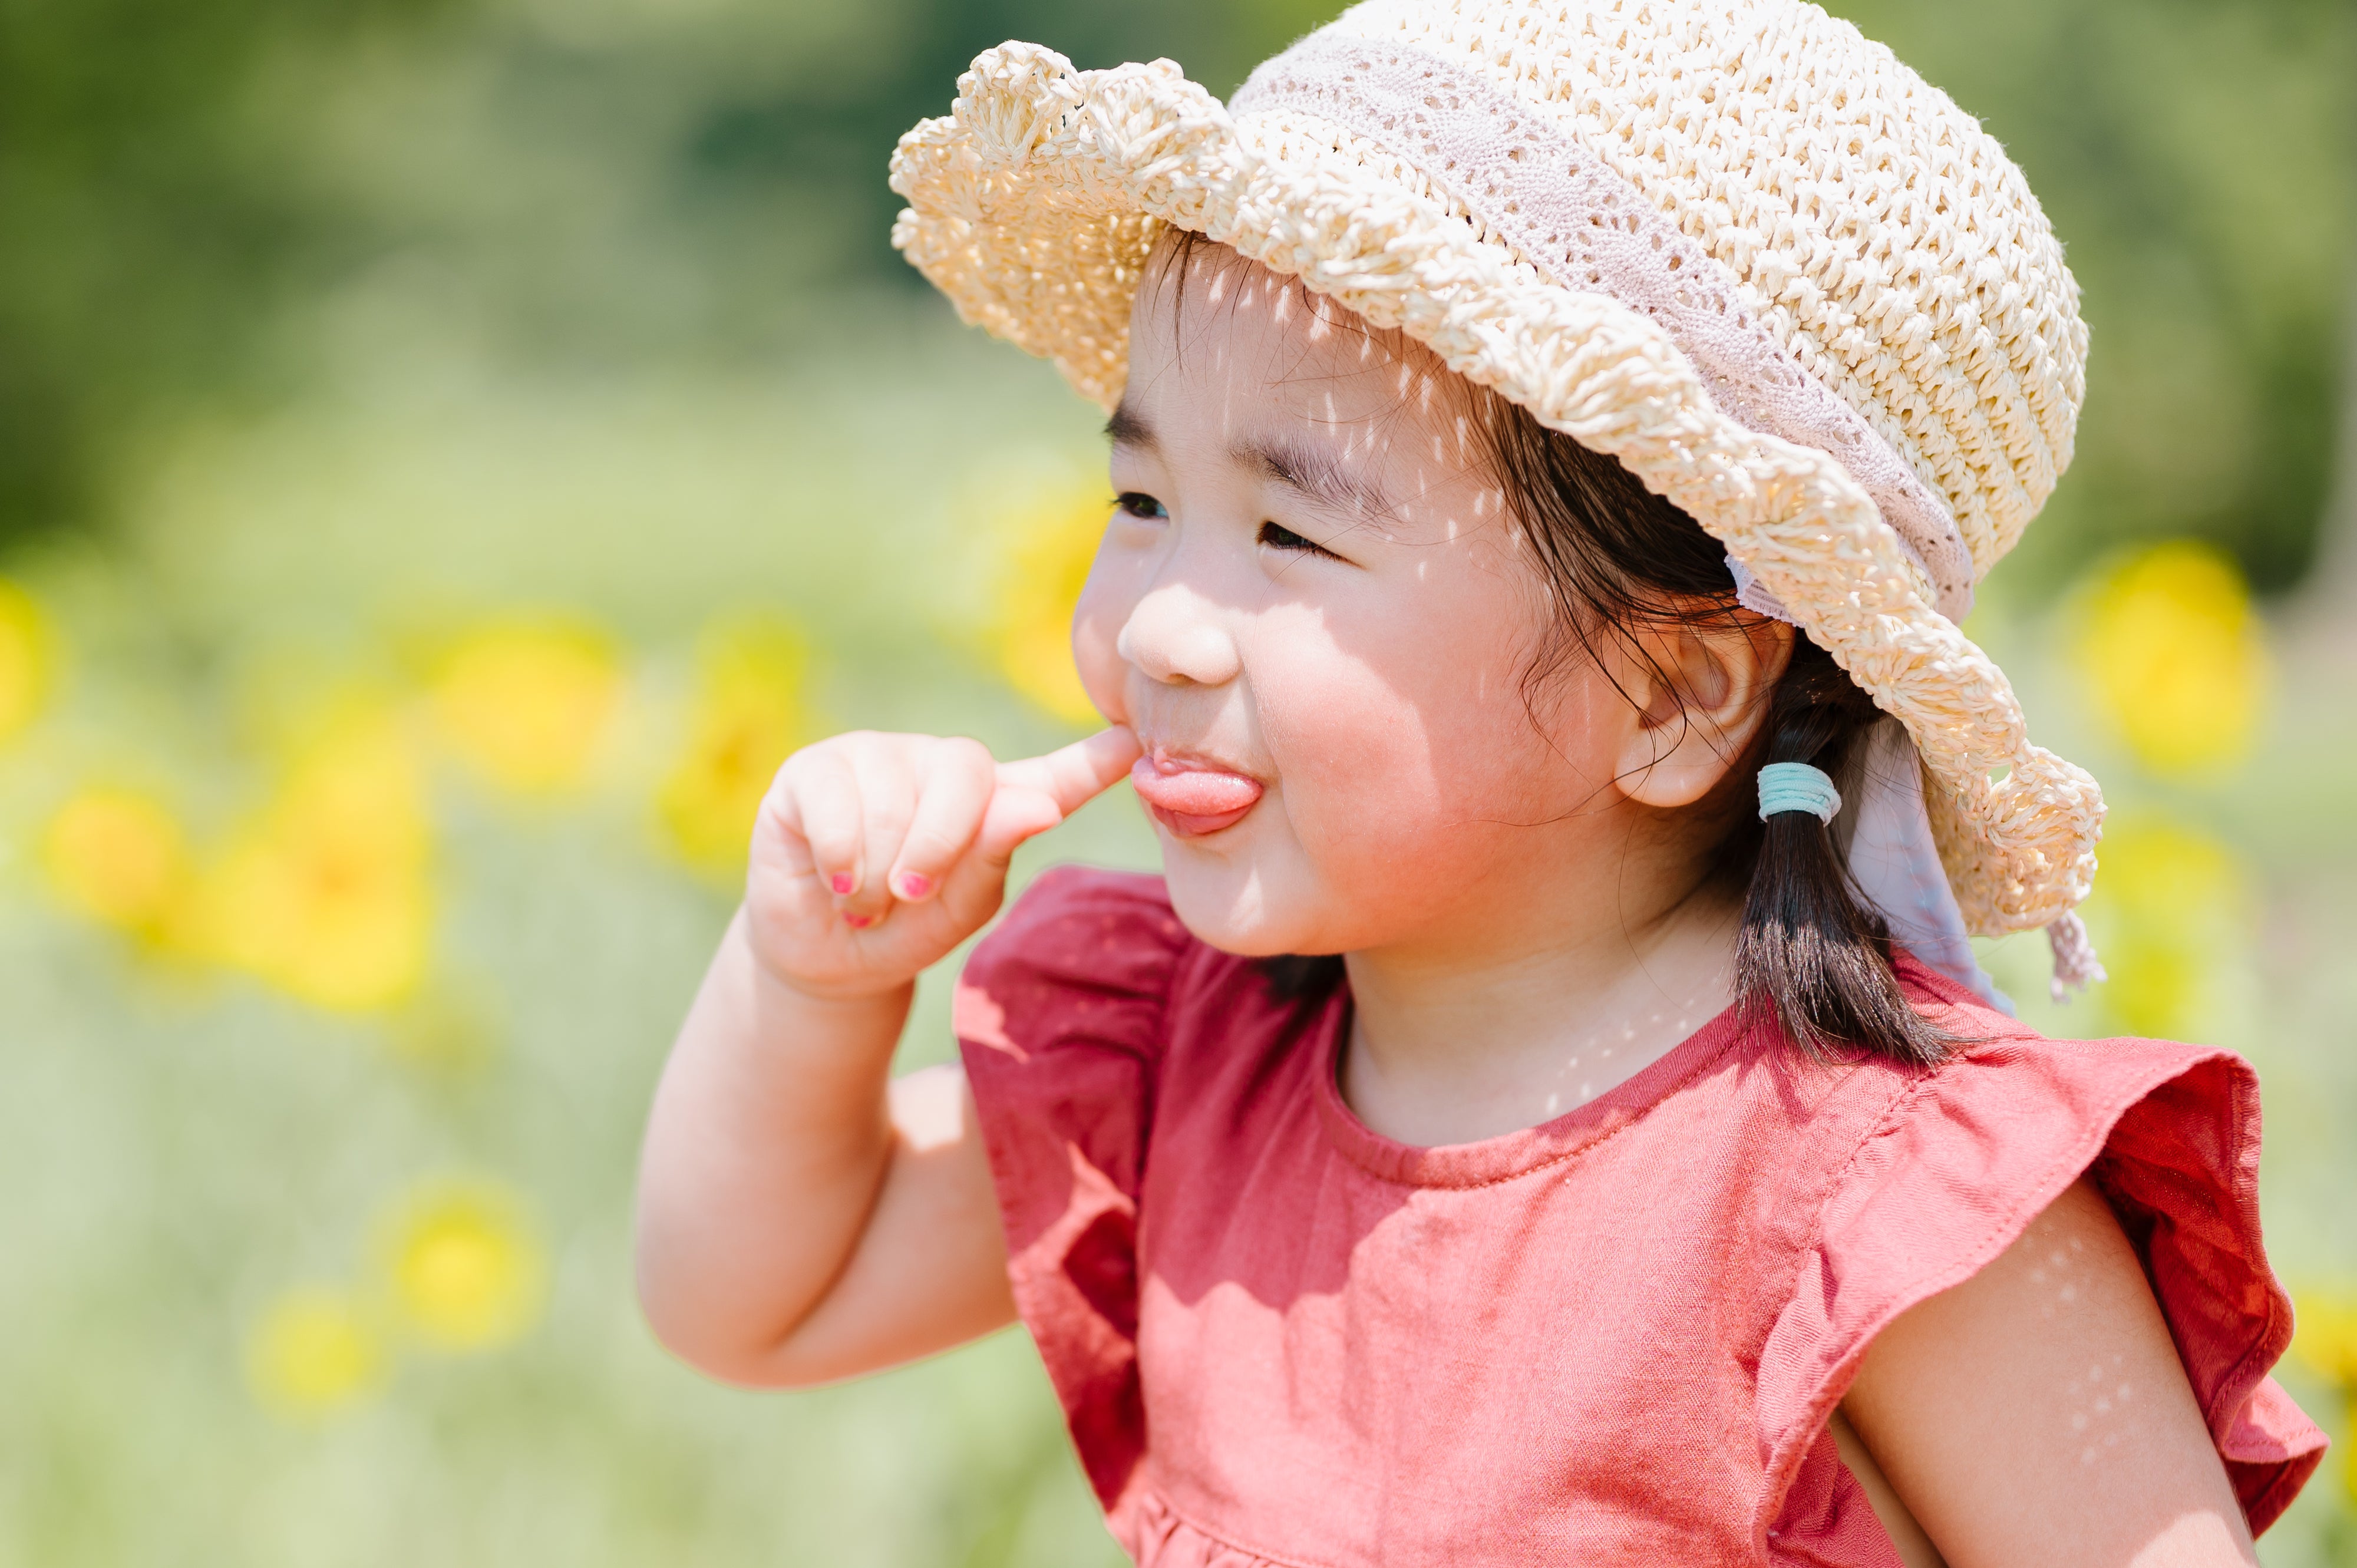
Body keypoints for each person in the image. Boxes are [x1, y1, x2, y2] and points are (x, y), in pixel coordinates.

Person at [633, 4, 2326, 1562]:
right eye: (1142, 503)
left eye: (1290, 531)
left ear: (1668, 691)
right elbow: (762, 1298)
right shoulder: (1197, 1064)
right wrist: (811, 980)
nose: (1159, 628)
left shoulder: (1879, 1197)